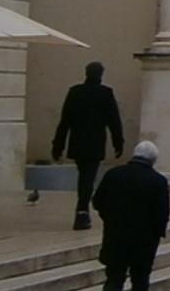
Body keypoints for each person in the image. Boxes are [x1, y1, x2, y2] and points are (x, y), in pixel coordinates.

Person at [90, 140, 169, 291]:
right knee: (140, 281)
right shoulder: (157, 181)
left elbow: (97, 201)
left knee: (114, 279)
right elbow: (162, 214)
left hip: (116, 237)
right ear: (153, 160)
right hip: (144, 241)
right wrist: (156, 232)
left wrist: (110, 218)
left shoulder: (114, 175)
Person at [52, 61, 125, 230]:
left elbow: (64, 122)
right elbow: (114, 121)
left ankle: (82, 209)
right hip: (95, 143)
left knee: (85, 176)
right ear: (100, 74)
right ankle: (82, 210)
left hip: (77, 142)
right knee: (88, 177)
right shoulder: (105, 93)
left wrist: (58, 145)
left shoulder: (75, 92)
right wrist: (118, 142)